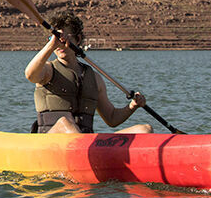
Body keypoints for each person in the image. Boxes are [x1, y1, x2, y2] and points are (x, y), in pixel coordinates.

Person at [23, 11, 153, 134]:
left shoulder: (95, 79)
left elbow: (112, 118)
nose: (59, 44)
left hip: (85, 142)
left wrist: (132, 106)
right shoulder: (47, 70)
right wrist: (51, 45)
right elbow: (30, 74)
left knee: (145, 130)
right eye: (54, 38)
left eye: (63, 38)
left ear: (78, 39)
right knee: (65, 123)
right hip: (50, 140)